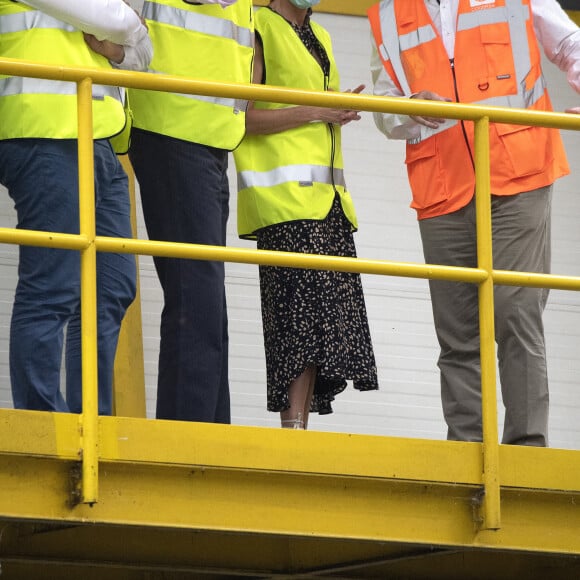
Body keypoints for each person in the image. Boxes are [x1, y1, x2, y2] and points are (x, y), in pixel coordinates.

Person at [368, 0, 580, 446]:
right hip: (443, 187)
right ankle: (467, 456)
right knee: (458, 335)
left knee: (515, 313)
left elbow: (569, 43)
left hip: (519, 173)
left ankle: (526, 451)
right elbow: (383, 109)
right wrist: (408, 106)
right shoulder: (387, 15)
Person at [0, 0, 152, 414]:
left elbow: (143, 55)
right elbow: (110, 18)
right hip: (43, 132)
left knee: (113, 284)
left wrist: (124, 45)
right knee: (53, 284)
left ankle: (91, 419)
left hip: (96, 136)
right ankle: (44, 422)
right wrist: (127, 33)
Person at [233, 0, 379, 429]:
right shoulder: (260, 26)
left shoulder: (322, 38)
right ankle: (292, 429)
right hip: (285, 205)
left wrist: (335, 108)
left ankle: (299, 428)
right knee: (297, 324)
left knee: (322, 326)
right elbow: (243, 116)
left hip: (328, 202)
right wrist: (318, 109)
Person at [128, 0, 253, 423]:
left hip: (208, 136)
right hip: (172, 125)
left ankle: (212, 440)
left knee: (208, 305)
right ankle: (186, 443)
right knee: (195, 296)